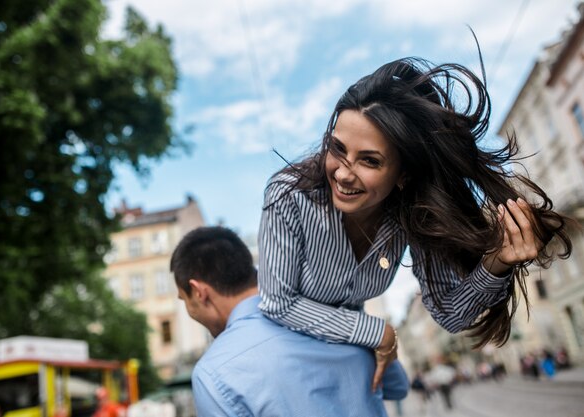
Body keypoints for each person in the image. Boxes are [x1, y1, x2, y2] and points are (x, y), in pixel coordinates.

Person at [258, 54, 573, 387]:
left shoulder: (411, 214)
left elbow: (449, 313)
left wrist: (496, 262)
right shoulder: (289, 194)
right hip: (280, 350)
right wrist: (377, 331)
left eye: (369, 160)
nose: (343, 173)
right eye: (337, 148)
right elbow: (278, 303)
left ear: (403, 174)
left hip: (348, 358)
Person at [170, 226, 408, 417]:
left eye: (184, 300)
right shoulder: (334, 311)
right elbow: (397, 386)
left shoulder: (213, 373)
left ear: (199, 292)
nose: (191, 312)